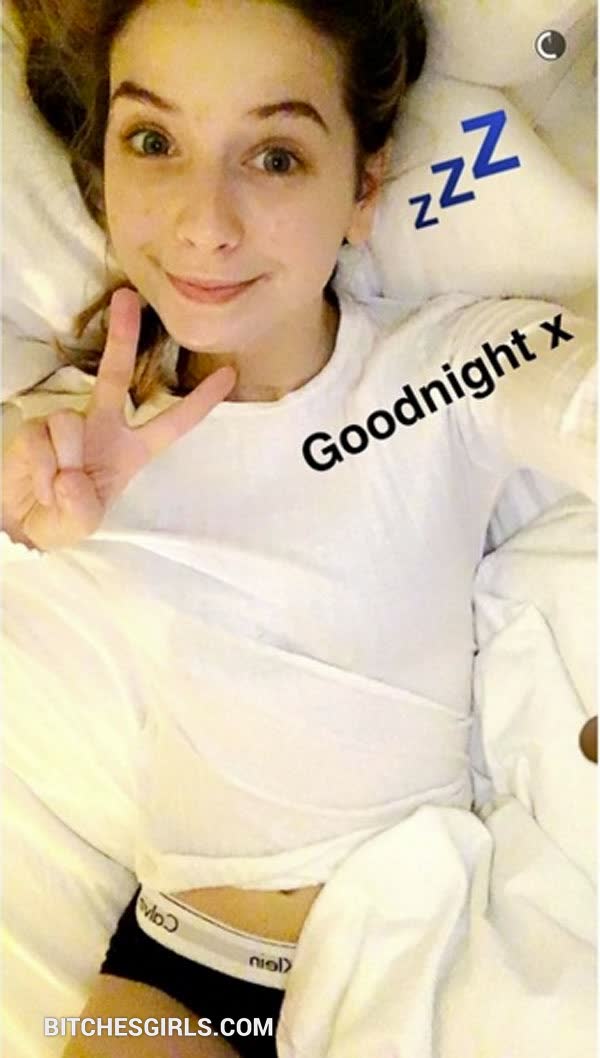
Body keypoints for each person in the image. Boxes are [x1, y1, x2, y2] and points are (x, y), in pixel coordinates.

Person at [1, 1, 595, 1055]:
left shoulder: (446, 370)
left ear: (363, 189)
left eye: (274, 157)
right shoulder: (74, 435)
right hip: (184, 965)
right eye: (154, 142)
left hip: (420, 962)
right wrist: (21, 498)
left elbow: (577, 400)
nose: (205, 223)